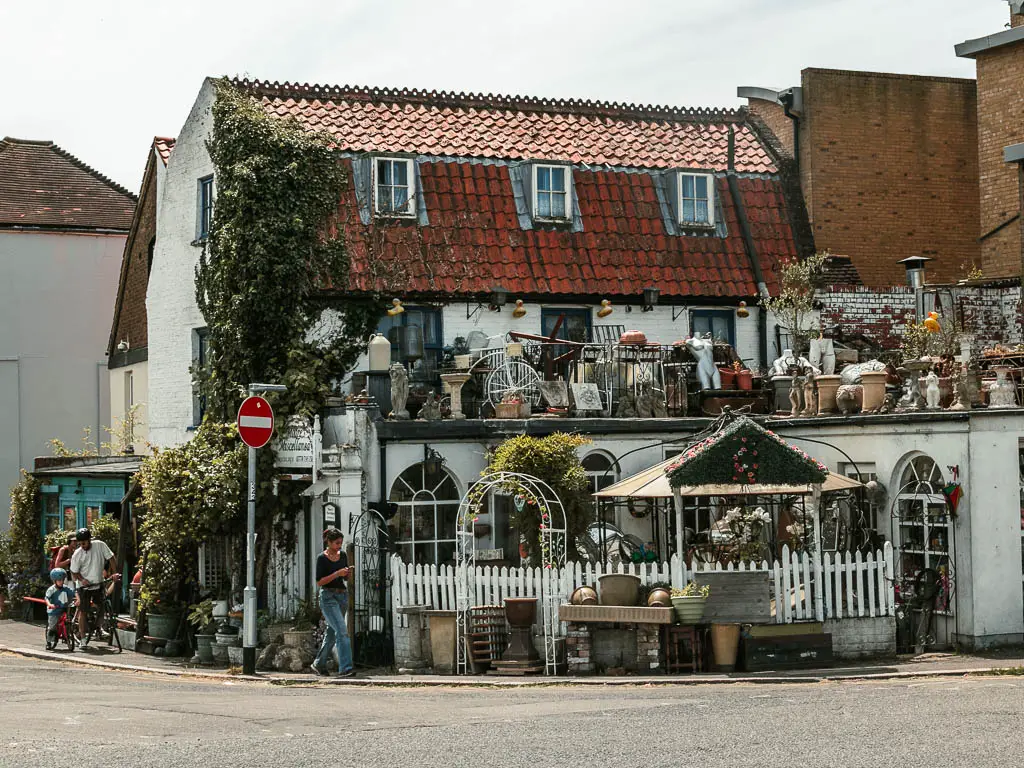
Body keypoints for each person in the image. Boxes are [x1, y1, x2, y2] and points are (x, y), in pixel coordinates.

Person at [311, 527, 354, 677]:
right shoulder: (321, 558)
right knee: (342, 631)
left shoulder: (342, 555)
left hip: (341, 596)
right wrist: (337, 573)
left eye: (340, 543)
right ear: (328, 542)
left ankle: (319, 664)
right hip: (328, 598)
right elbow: (320, 582)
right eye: (336, 543)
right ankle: (346, 668)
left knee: (332, 632)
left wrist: (347, 573)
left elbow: (344, 578)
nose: (339, 546)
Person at [69, 527, 117, 647]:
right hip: (84, 586)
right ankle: (83, 638)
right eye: (80, 543)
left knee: (102, 607)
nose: (82, 545)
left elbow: (111, 558)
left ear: (89, 540)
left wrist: (115, 572)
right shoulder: (77, 554)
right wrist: (82, 580)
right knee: (83, 612)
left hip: (98, 582)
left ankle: (98, 628)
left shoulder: (100, 545)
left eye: (84, 543)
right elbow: (74, 572)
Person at [45, 568, 76, 650]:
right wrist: (49, 604)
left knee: (68, 620)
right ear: (54, 581)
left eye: (62, 580)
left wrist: (77, 598)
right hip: (54, 610)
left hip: (64, 608)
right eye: (59, 580)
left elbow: (73, 593)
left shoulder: (66, 588)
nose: (61, 582)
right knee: (52, 627)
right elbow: (47, 598)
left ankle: (67, 634)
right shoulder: (51, 589)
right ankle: (49, 642)